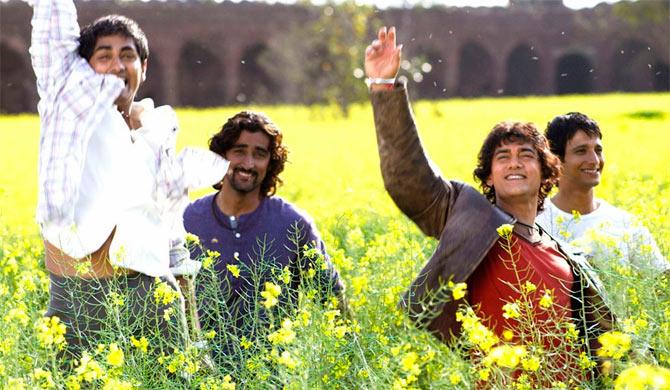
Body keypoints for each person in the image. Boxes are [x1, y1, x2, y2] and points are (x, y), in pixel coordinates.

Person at [364, 26, 613, 376]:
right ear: (489, 175)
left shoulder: (567, 257)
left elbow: (605, 345)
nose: (514, 162)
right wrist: (384, 88)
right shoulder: (470, 215)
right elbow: (409, 179)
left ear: (545, 173)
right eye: (502, 157)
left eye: (526, 155)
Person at [30, 0, 224, 364]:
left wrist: (195, 340)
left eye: (128, 55)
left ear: (143, 67)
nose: (117, 65)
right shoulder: (68, 101)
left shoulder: (158, 129)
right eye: (103, 55)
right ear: (82, 67)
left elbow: (171, 237)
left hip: (154, 301)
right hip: (78, 302)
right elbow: (52, 25)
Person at [183, 111, 343, 363]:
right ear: (221, 156)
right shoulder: (186, 220)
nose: (248, 163)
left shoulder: (293, 224)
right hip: (202, 375)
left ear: (270, 163)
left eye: (260, 154)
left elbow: (333, 299)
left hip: (274, 375)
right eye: (239, 151)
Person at [536, 112, 668, 271]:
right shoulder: (538, 224)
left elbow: (661, 279)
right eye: (581, 151)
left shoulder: (624, 223)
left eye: (598, 150)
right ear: (555, 160)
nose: (594, 161)